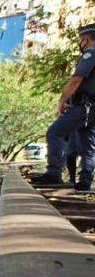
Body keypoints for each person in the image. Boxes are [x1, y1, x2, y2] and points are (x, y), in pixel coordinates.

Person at [35, 24, 95, 191]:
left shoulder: (91, 53)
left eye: (81, 40)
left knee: (54, 132)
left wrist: (63, 100)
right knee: (88, 146)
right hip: (91, 109)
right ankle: (85, 180)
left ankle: (54, 172)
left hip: (85, 107)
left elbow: (77, 79)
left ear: (86, 39)